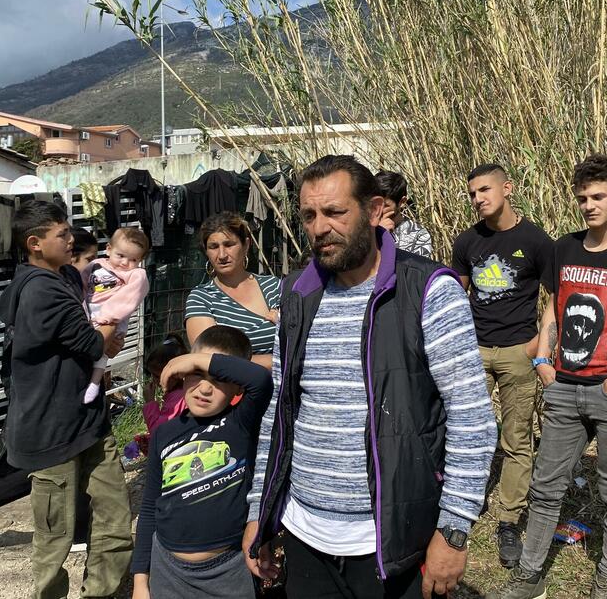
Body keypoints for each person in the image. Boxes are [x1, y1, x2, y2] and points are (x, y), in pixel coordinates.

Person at [244, 155, 497, 599]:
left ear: (376, 210)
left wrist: (454, 531)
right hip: (304, 534)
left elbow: (471, 418)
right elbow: (279, 413)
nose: (319, 227)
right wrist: (259, 513)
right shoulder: (298, 294)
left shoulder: (428, 291)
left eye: (334, 212)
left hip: (393, 537)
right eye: (309, 215)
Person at [487, 154, 607, 599]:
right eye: (582, 198)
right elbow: (554, 308)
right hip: (564, 389)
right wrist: (543, 360)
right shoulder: (565, 249)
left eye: (598, 196)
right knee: (544, 487)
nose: (589, 205)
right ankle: (529, 575)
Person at [0, 199, 133, 599]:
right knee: (55, 535)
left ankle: (101, 592)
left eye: (69, 231)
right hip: (51, 430)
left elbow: (87, 337)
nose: (71, 239)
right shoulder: (40, 290)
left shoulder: (62, 278)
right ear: (35, 243)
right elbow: (92, 343)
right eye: (62, 234)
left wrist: (103, 336)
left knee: (114, 516)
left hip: (88, 421)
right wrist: (106, 334)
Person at [0, 226, 100, 549]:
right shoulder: (46, 288)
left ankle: (78, 528)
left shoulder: (67, 282)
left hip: (63, 392)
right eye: (90, 260)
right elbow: (84, 343)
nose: (95, 269)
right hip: (45, 393)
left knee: (75, 457)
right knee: (40, 464)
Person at [451, 163, 553, 569]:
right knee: (465, 433)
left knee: (516, 438)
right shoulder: (467, 241)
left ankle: (508, 520)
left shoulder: (535, 241)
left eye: (485, 190)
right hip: (475, 351)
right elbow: (455, 297)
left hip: (517, 352)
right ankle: (459, 509)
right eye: (473, 193)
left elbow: (558, 296)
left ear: (507, 188)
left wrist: (539, 345)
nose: (478, 199)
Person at [132, 325, 273, 599]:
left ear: (236, 386)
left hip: (228, 570)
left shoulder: (241, 422)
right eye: (197, 374)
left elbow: (260, 379)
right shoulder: (163, 433)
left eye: (219, 379)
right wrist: (140, 580)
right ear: (184, 375)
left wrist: (198, 360)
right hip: (167, 570)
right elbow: (149, 508)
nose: (205, 388)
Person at [185, 212, 279, 371]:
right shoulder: (202, 298)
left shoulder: (273, 286)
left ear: (246, 245)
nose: (222, 255)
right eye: (214, 247)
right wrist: (280, 361)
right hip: (234, 386)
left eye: (229, 245)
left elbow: (299, 338)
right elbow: (209, 360)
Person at [82, 226, 150, 403]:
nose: (125, 263)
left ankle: (95, 382)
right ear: (108, 249)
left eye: (133, 259)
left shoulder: (136, 274)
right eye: (120, 255)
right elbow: (81, 283)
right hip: (90, 311)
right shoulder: (96, 265)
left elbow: (130, 296)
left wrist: (108, 316)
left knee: (103, 353)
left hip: (113, 316)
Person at [374, 169, 433, 257]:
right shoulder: (363, 229)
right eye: (374, 204)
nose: (377, 210)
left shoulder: (419, 235)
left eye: (385, 205)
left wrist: (382, 236)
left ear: (402, 202)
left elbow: (415, 265)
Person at [141, 333, 189, 433]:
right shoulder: (181, 392)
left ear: (176, 374)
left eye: (157, 376)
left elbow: (158, 431)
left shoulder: (177, 399)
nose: (153, 380)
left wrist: (150, 402)